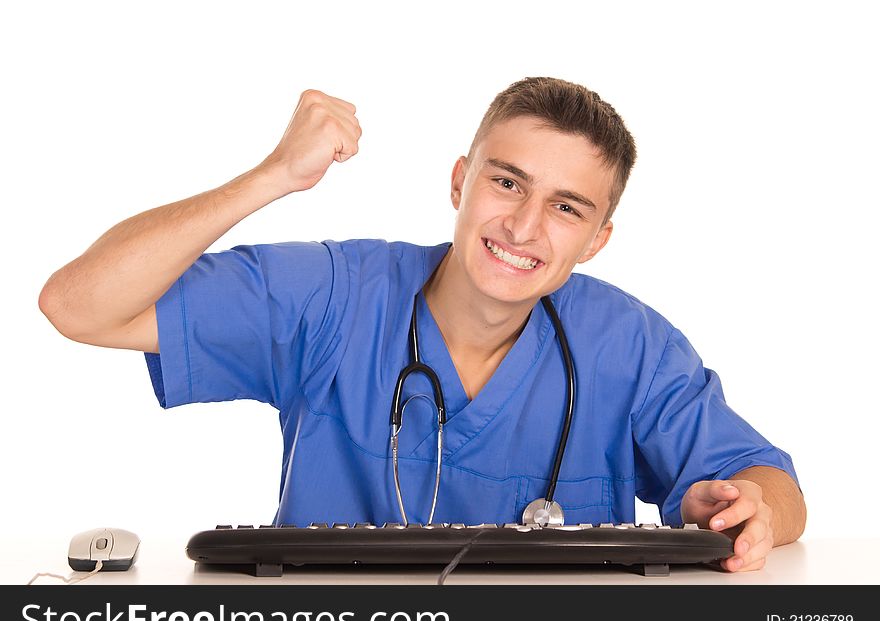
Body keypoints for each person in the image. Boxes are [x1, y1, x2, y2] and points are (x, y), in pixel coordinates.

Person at [39, 77, 806, 572]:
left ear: (596, 238)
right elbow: (77, 305)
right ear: (459, 182)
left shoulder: (627, 345)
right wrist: (274, 175)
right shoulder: (334, 295)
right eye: (507, 182)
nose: (525, 226)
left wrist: (751, 505)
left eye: (567, 206)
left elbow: (777, 485)